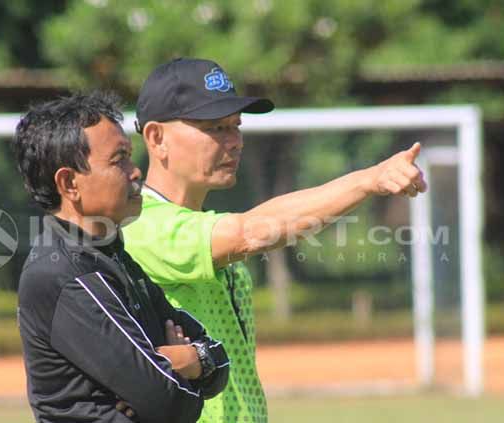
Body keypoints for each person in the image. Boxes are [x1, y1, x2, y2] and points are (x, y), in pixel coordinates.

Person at [122, 58, 428, 423]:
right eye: (215, 127)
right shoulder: (140, 223)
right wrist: (368, 180)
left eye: (236, 126)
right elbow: (250, 233)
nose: (234, 141)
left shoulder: (198, 225)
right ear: (157, 138)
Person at [12, 91, 230, 423]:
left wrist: (193, 360)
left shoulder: (111, 255)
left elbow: (219, 359)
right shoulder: (65, 274)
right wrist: (185, 371)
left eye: (130, 156)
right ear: (69, 183)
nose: (136, 171)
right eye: (119, 160)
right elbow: (171, 404)